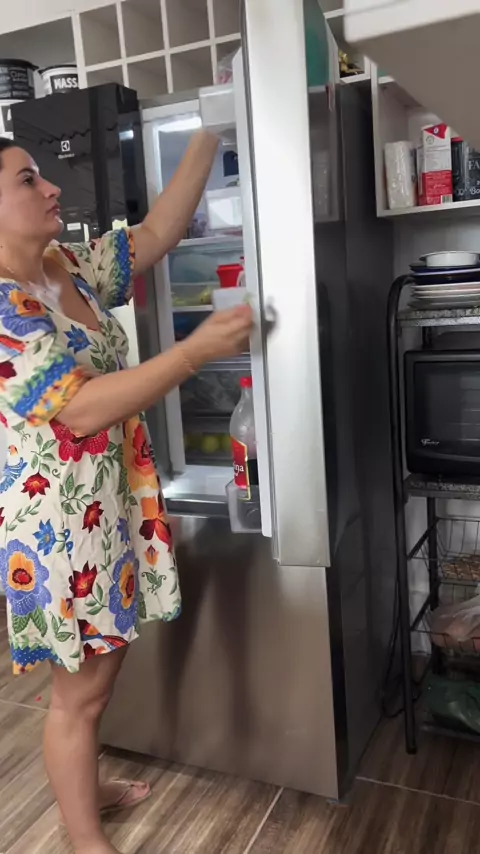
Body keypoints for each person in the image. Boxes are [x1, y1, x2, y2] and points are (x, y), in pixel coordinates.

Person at [0, 134, 253, 854]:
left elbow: (158, 233)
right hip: (58, 528)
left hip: (107, 508)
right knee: (79, 694)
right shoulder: (4, 307)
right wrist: (195, 351)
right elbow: (79, 410)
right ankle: (85, 837)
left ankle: (86, 787)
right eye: (27, 180)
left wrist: (211, 131)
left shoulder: (64, 266)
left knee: (99, 679)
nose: (51, 188)